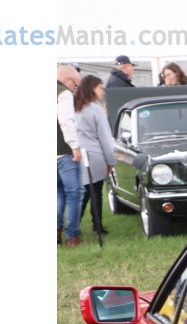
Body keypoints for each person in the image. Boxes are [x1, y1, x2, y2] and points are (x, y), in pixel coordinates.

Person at [74, 74, 115, 242]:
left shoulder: (74, 107)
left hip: (77, 154)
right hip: (94, 154)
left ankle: (74, 225)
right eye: (100, 88)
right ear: (92, 88)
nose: (102, 91)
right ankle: (97, 225)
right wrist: (110, 160)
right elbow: (104, 136)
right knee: (95, 192)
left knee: (80, 192)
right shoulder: (96, 109)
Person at [57, 64, 84, 247]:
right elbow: (66, 120)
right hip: (65, 152)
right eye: (75, 85)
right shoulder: (64, 94)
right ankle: (72, 236)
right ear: (68, 80)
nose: (75, 89)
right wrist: (74, 146)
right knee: (75, 193)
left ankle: (55, 232)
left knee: (57, 193)